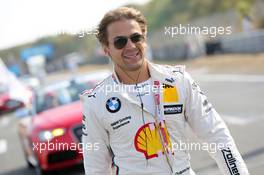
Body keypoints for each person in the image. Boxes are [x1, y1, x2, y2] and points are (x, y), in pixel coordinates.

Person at [81, 7, 249, 175]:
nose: (131, 46)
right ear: (106, 48)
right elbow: (96, 168)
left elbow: (216, 136)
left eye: (136, 37)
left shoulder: (178, 80)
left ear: (144, 39)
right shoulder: (96, 102)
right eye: (120, 42)